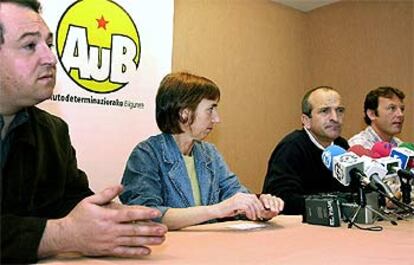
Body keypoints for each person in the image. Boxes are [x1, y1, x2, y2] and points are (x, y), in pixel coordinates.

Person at [0, 1, 166, 263]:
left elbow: (70, 200)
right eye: (30, 45)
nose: (50, 58)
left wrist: (111, 219)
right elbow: (65, 228)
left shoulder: (52, 131)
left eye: (49, 45)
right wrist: (60, 235)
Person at [120, 72, 284, 230]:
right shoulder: (146, 154)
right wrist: (217, 210)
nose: (217, 119)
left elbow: (234, 195)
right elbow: (147, 216)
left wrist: (260, 206)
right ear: (185, 113)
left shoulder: (209, 153)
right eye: (210, 109)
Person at [262, 86, 350, 215]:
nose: (335, 118)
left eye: (339, 110)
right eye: (325, 111)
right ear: (306, 121)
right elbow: (282, 200)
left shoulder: (341, 146)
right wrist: (331, 205)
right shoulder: (291, 148)